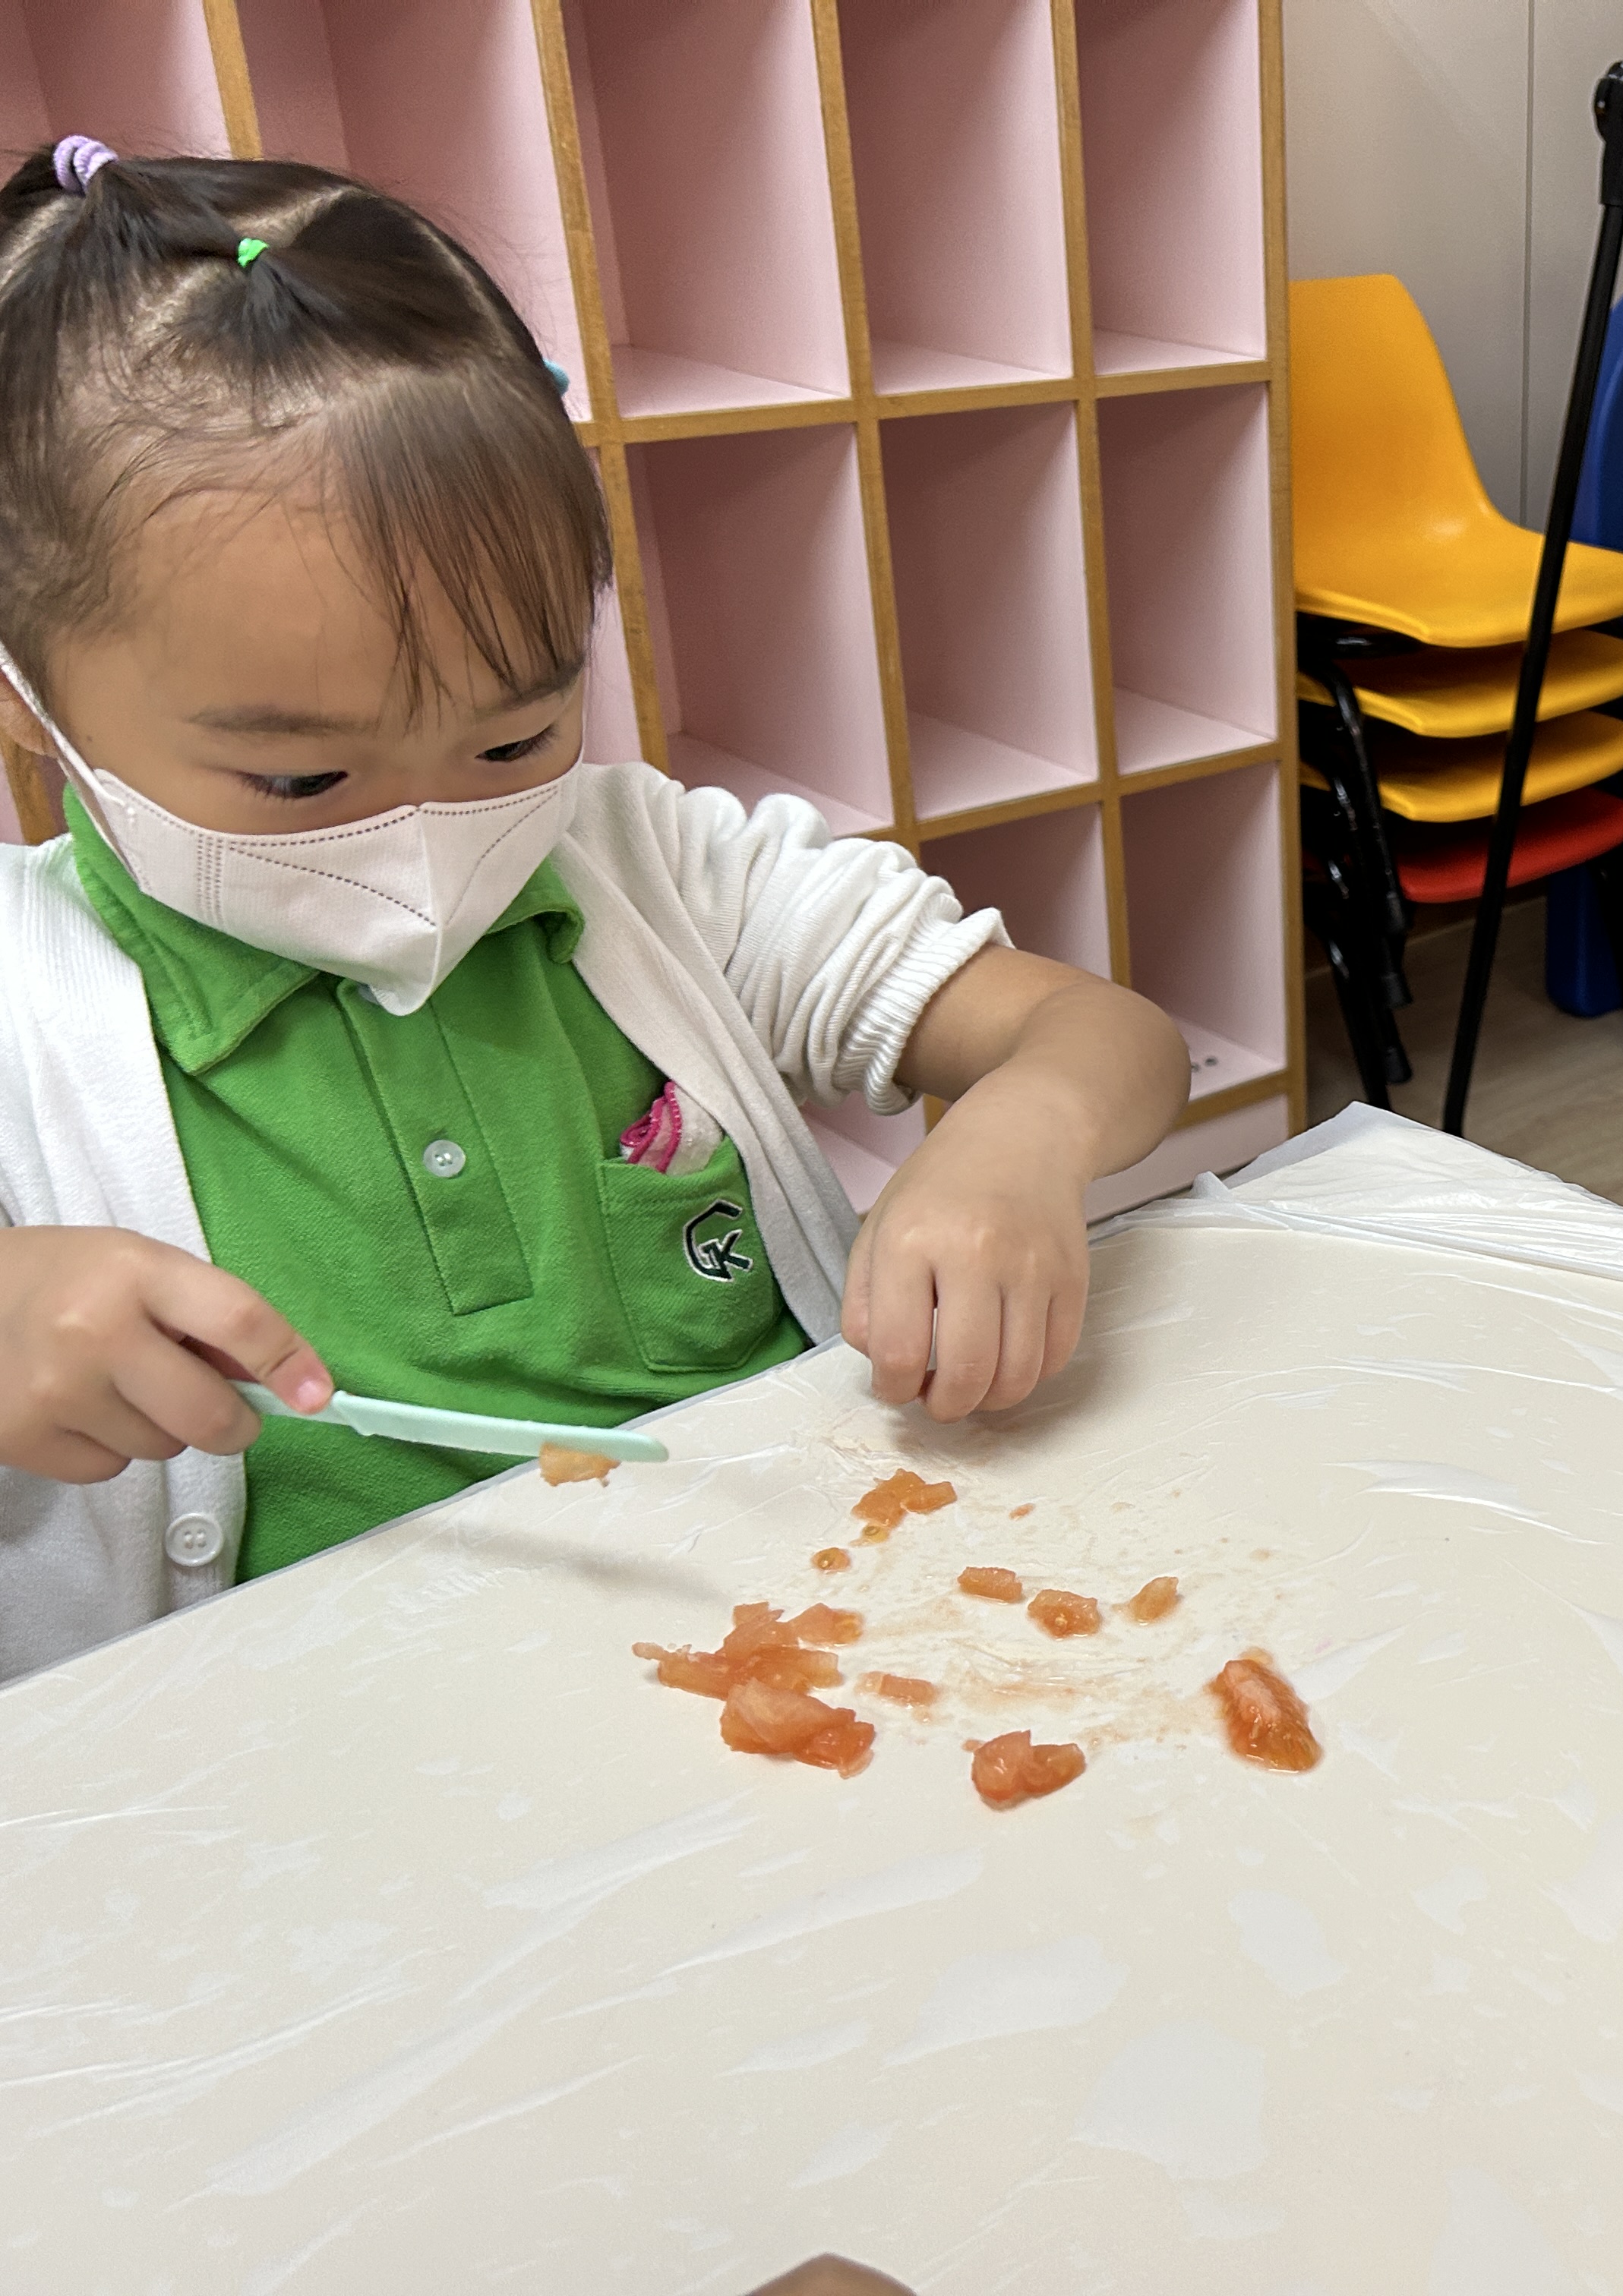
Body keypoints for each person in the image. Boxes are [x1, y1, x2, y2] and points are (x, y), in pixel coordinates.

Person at [0, 145, 1188, 1677]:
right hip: (319, 1733)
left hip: (778, 1626)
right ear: (28, 703)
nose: (426, 834)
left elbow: (1103, 1036)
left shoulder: (657, 869)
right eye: (301, 778)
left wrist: (1020, 1136)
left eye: (513, 740)